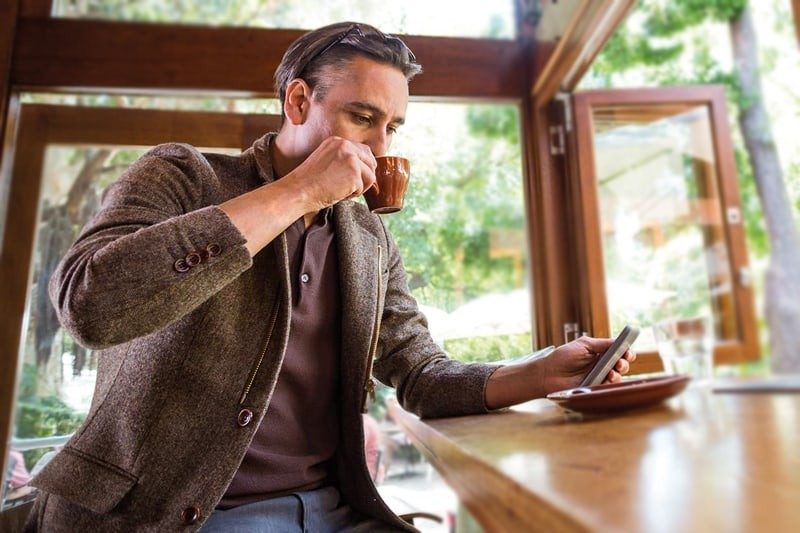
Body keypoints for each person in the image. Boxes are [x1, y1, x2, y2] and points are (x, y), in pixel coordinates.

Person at [24, 21, 635, 532]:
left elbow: (420, 374)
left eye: (391, 127)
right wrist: (297, 192)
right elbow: (90, 304)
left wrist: (538, 371)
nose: (380, 144)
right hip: (184, 512)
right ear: (297, 102)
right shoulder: (180, 176)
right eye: (362, 117)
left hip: (334, 510)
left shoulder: (370, 241)